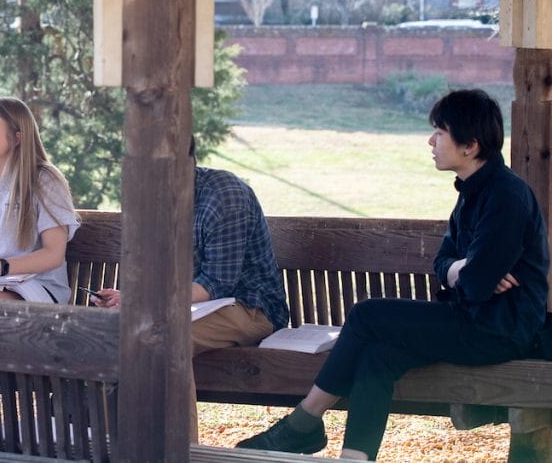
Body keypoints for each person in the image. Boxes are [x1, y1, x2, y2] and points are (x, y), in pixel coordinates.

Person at [236, 89, 550, 461]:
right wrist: (462, 267)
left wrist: (473, 270)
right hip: (472, 319)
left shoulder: (505, 197)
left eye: (440, 131)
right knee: (378, 355)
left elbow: (478, 285)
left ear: (470, 145)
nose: (431, 141)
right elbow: (445, 262)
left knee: (367, 314)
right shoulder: (472, 191)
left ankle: (303, 422)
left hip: (498, 330)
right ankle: (354, 457)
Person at [92, 136, 289, 442]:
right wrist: (128, 299)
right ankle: (115, 446)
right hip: (188, 306)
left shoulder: (224, 195)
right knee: (115, 335)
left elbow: (217, 284)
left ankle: (182, 451)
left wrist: (145, 301)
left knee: (166, 340)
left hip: (249, 308)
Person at [0, 97, 79, 303]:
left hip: (36, 287)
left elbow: (54, 253)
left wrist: (3, 266)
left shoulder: (45, 181)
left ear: (16, 138)